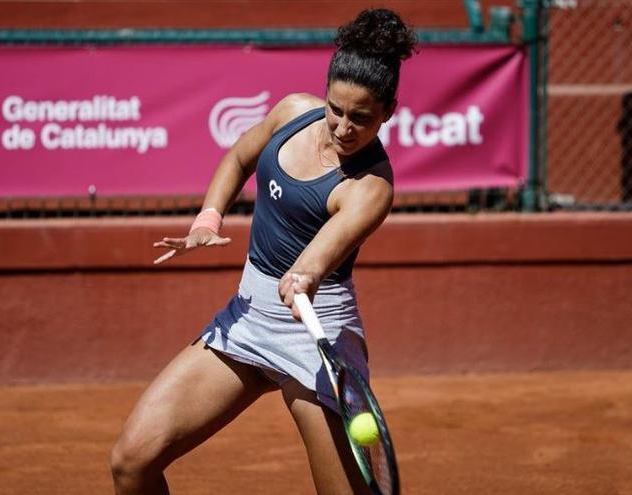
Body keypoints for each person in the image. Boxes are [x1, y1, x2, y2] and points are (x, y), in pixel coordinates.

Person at [109, 8, 417, 494]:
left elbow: (318, 257)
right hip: (248, 318)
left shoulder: (371, 186)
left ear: (388, 113)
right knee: (131, 462)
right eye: (336, 109)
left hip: (315, 338)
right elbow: (237, 157)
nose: (342, 128)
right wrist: (208, 220)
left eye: (361, 118)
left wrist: (303, 277)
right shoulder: (293, 112)